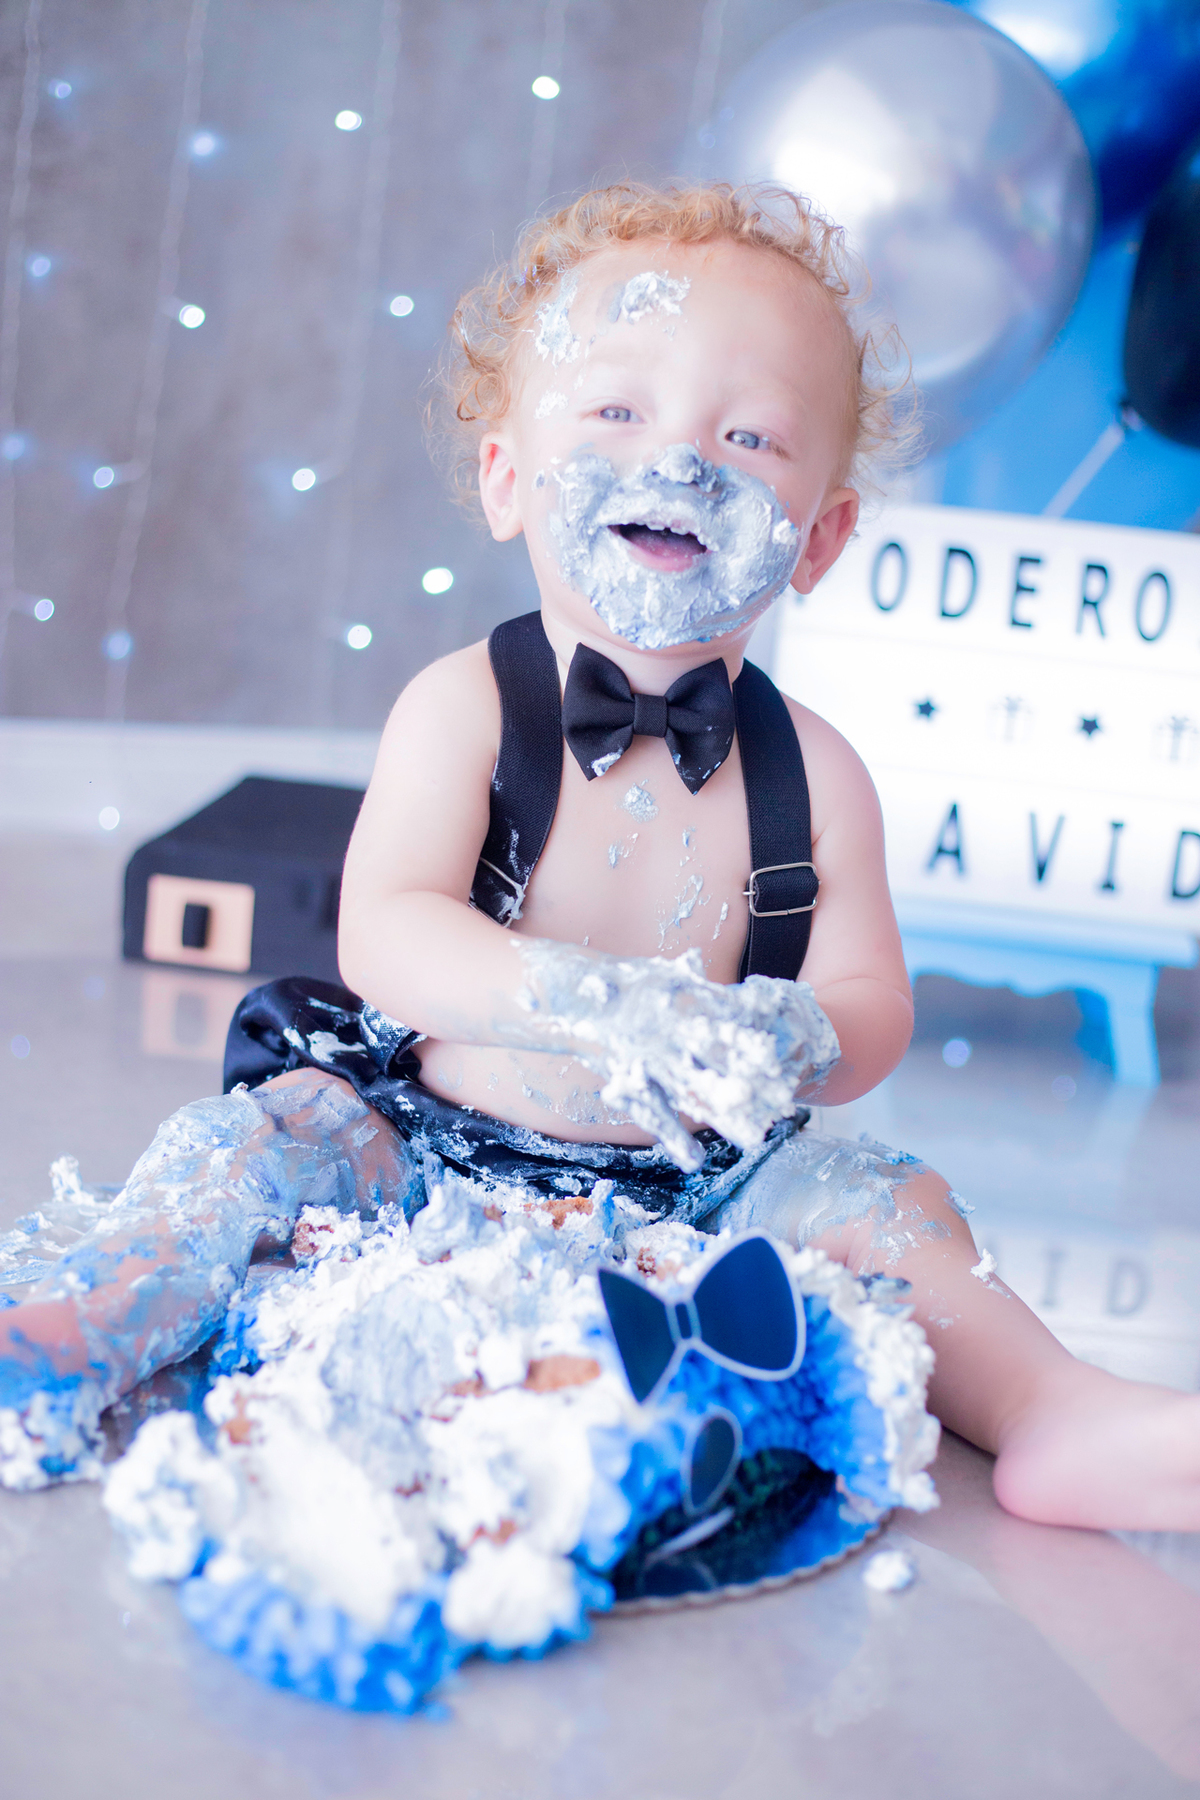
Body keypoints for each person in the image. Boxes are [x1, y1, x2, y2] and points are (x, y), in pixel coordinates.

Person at [2, 182, 1197, 1534]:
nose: (680, 461)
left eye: (749, 435)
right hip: (427, 1140)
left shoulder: (818, 774)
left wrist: (791, 1031)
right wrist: (580, 996)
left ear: (821, 537)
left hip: (701, 1178)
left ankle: (1053, 1411)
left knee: (893, 1206)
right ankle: (77, 1319)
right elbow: (384, 929)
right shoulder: (463, 708)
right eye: (618, 413)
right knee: (249, 1152)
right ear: (508, 477)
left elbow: (875, 1007)